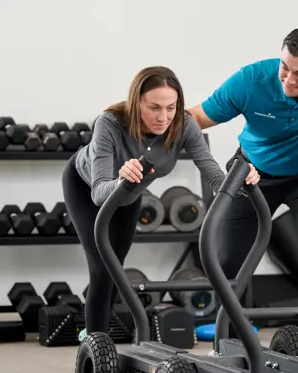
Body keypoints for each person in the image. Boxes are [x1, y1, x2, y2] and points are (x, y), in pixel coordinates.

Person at [187, 27, 298, 364]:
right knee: (225, 260)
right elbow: (195, 117)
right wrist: (153, 127)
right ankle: (233, 351)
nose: (288, 79)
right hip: (253, 171)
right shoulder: (252, 79)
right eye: (284, 67)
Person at [61, 66, 260, 341]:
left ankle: (98, 335)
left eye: (171, 107)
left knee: (116, 267)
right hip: (86, 188)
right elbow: (98, 191)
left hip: (129, 194)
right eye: (154, 107)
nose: (164, 117)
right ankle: (95, 342)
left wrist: (242, 178)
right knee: (102, 267)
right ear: (136, 103)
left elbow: (215, 179)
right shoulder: (110, 123)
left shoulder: (183, 125)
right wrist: (121, 179)